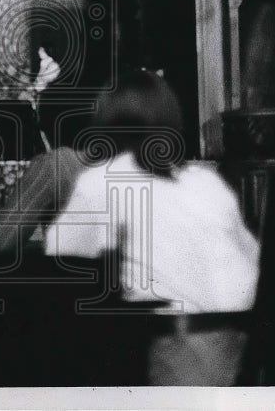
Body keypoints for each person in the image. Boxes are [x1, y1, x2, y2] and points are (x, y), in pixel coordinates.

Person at [43, 70, 261, 385]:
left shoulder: (102, 180)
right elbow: (254, 263)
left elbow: (59, 260)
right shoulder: (205, 180)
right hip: (242, 352)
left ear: (102, 123)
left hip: (170, 353)